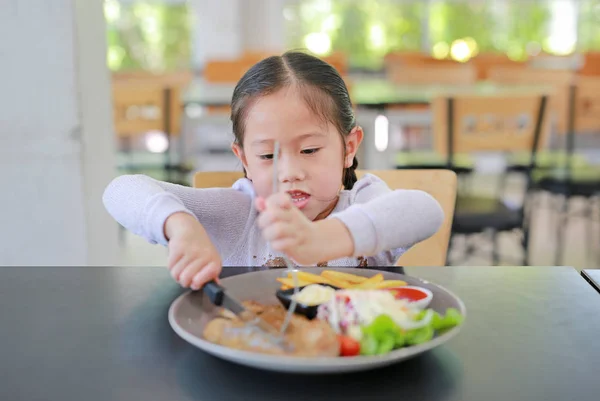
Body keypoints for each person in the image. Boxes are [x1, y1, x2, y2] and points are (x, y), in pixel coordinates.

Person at [103, 51, 444, 290]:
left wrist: (326, 238)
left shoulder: (365, 204)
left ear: (349, 148)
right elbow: (121, 189)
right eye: (268, 155)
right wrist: (180, 226)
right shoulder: (242, 213)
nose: (289, 172)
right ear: (244, 159)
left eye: (309, 150)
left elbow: (426, 211)